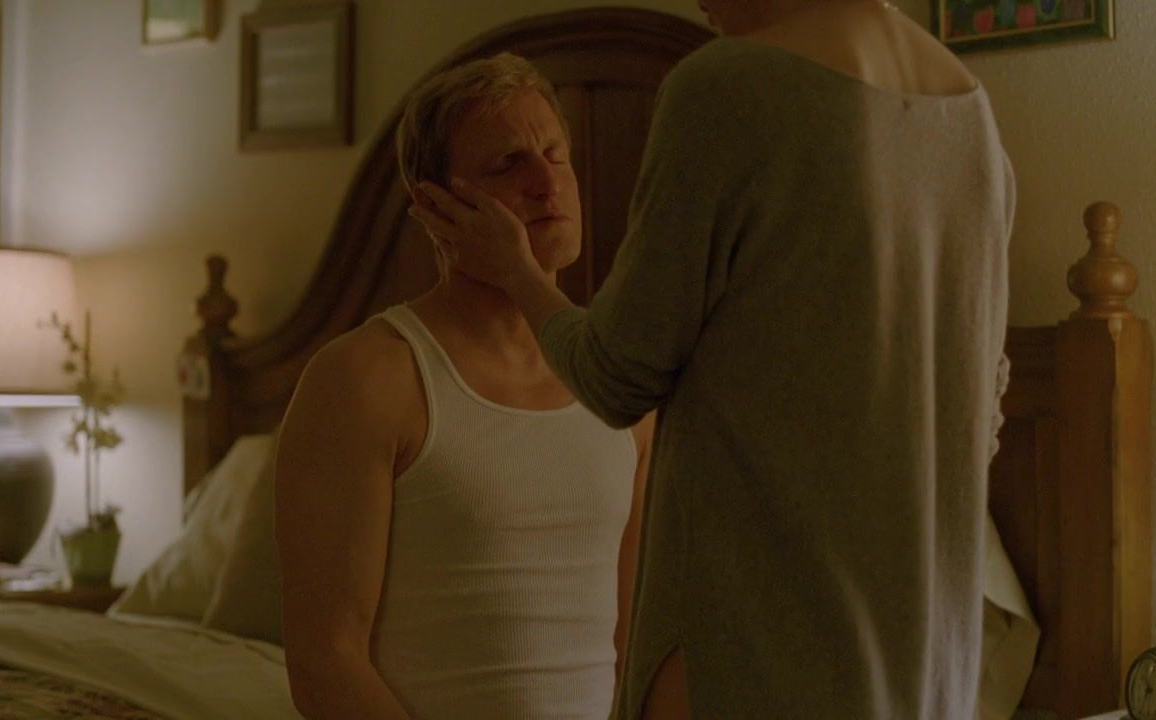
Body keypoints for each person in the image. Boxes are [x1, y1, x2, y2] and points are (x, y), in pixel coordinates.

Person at [409, 0, 1015, 718]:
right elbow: (980, 419)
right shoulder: (972, 115)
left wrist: (519, 272)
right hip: (928, 659)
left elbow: (613, 376)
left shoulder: (729, 85)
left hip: (757, 647)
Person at [275, 53, 654, 720]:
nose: (547, 184)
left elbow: (637, 644)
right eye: (508, 164)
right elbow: (325, 661)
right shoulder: (366, 379)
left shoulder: (621, 384)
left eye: (556, 155)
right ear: (432, 205)